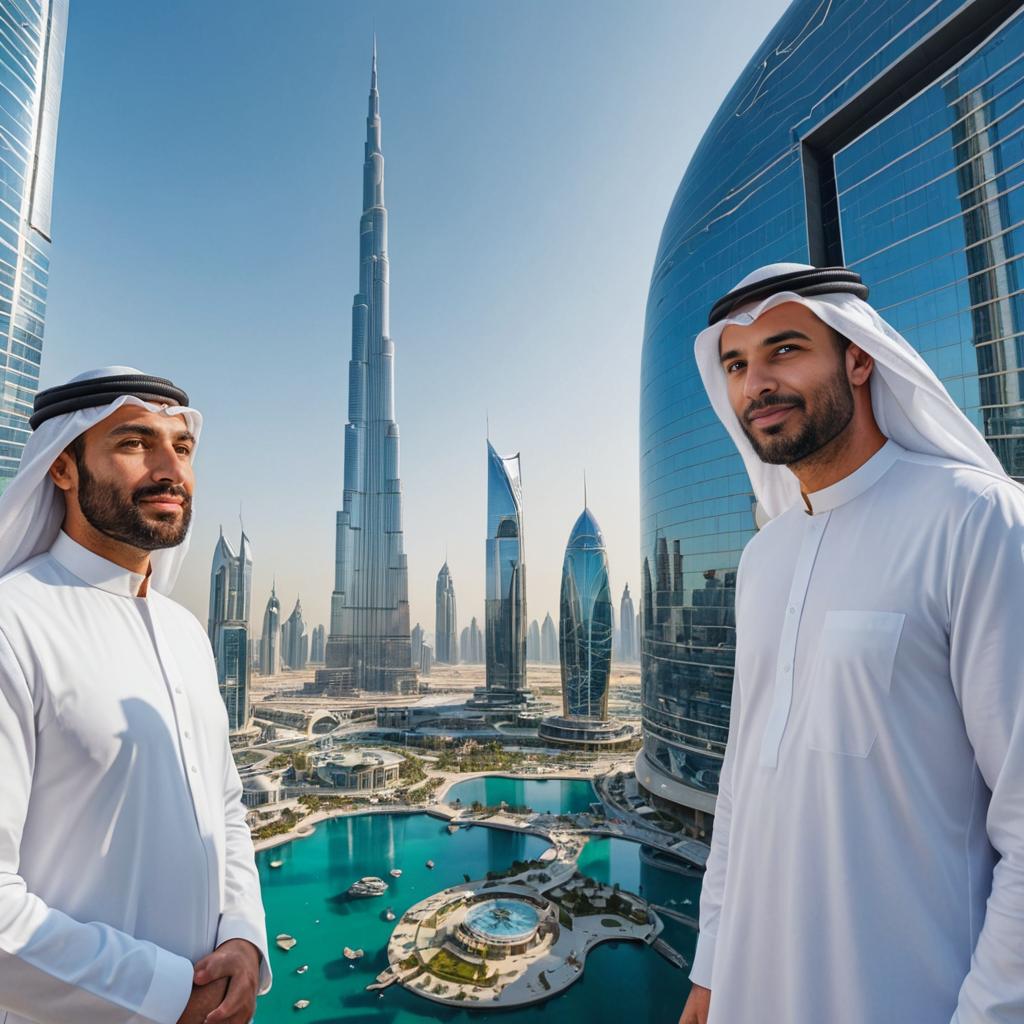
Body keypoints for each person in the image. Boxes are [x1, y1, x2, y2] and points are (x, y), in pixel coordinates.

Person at [677, 265, 1024, 1023]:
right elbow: (740, 787)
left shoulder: (976, 522)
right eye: (735, 365)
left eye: (785, 350)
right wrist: (711, 968)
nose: (756, 384)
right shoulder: (763, 558)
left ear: (860, 358)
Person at [0, 368, 271, 1024]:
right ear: (61, 469)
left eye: (181, 447)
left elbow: (225, 808)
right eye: (133, 443)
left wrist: (241, 934)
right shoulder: (14, 623)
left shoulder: (185, 631)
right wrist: (169, 992)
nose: (168, 468)